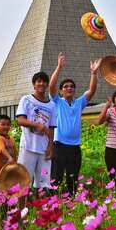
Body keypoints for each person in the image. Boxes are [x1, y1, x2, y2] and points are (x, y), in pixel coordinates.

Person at [48, 53, 100, 194]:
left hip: (75, 147)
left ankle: (71, 203)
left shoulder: (79, 103)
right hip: (59, 146)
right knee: (56, 178)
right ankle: (54, 204)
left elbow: (92, 90)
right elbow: (51, 86)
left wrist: (94, 73)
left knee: (73, 179)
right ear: (61, 91)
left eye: (71, 86)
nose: (69, 88)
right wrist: (59, 67)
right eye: (65, 86)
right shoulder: (58, 102)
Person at [17, 72, 57, 189]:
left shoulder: (52, 105)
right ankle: (21, 207)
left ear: (47, 85)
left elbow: (51, 128)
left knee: (44, 182)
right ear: (34, 84)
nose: (42, 83)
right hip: (28, 147)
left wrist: (50, 146)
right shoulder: (26, 99)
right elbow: (20, 120)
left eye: (44, 81)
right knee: (24, 180)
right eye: (38, 81)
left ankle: (42, 206)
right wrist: (37, 125)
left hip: (44, 150)